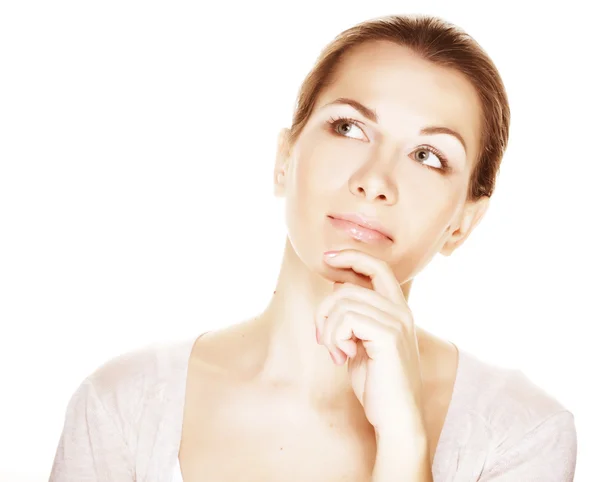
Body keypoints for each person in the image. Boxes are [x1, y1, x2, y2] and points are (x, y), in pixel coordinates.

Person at [49, 13, 577, 482]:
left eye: (428, 155)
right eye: (349, 127)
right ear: (284, 159)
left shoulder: (521, 433)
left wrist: (404, 440)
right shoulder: (123, 404)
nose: (375, 180)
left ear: (463, 222)